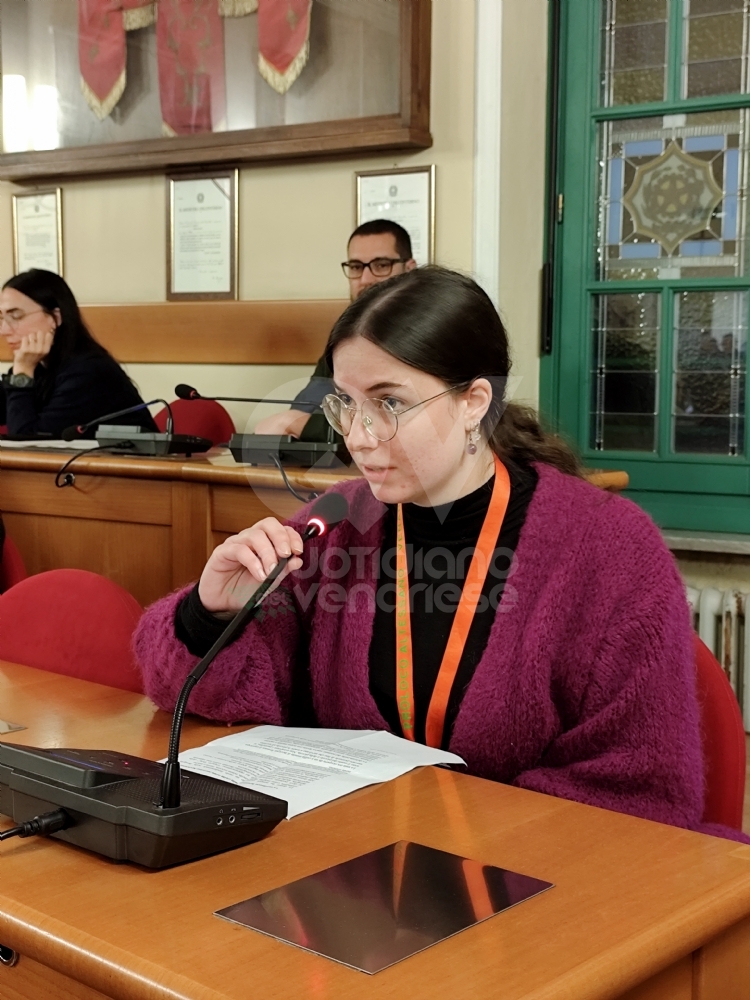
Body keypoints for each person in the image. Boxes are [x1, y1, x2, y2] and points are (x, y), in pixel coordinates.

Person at [134, 267, 743, 842]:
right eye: (344, 402)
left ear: (474, 402)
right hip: (349, 867)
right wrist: (208, 614)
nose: (359, 436)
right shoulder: (339, 522)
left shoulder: (608, 549)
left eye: (390, 403)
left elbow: (642, 795)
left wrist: (445, 833)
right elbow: (209, 696)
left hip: (525, 892)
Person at [254, 219, 416, 438]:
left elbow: (396, 422)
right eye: (357, 267)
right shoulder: (348, 334)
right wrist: (297, 423)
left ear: (409, 269)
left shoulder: (426, 332)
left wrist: (299, 424)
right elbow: (309, 405)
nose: (366, 279)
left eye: (381, 265)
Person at [0, 269, 157, 439]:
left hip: (130, 464)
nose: (4, 330)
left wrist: (22, 374)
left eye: (16, 316)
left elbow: (25, 441)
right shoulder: (38, 367)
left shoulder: (89, 372)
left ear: (55, 317)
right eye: (1, 318)